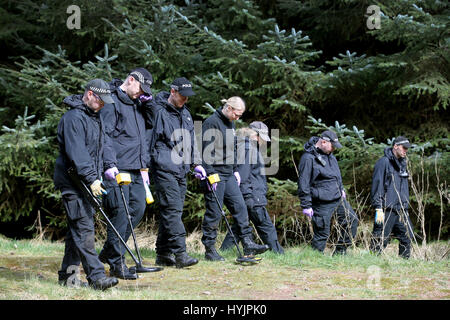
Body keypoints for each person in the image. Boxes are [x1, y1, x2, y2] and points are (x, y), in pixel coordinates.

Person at [53, 79, 119, 290]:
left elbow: (100, 148)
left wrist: (106, 168)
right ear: (89, 94)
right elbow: (78, 154)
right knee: (84, 230)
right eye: (100, 100)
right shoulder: (73, 118)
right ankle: (97, 277)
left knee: (76, 232)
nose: (102, 105)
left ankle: (68, 277)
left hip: (87, 181)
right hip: (74, 182)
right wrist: (91, 178)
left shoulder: (94, 118)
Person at [98, 68, 153, 280]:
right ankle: (117, 263)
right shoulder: (112, 103)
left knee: (137, 209)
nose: (141, 93)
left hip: (137, 168)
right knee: (120, 214)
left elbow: (148, 130)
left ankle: (108, 252)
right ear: (130, 80)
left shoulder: (139, 104)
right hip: (118, 168)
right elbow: (105, 136)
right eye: (140, 88)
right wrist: (109, 164)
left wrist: (144, 167)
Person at [201, 97, 269, 261]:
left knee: (240, 207)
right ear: (229, 108)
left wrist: (236, 170)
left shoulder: (230, 123)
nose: (238, 118)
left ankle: (248, 243)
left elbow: (231, 149)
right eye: (237, 114)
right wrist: (210, 175)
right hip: (215, 174)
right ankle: (210, 250)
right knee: (214, 213)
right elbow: (204, 152)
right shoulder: (212, 122)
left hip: (229, 173)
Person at [147, 77, 202, 268]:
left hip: (181, 169)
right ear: (173, 92)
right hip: (163, 167)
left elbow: (191, 141)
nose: (185, 100)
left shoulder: (186, 114)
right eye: (182, 96)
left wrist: (196, 163)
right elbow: (149, 140)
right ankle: (180, 254)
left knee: (173, 211)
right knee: (172, 210)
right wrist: (145, 167)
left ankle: (163, 253)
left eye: (188, 97)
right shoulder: (158, 110)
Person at [220, 121, 284, 254]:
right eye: (261, 137)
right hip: (252, 197)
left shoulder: (244, 147)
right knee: (266, 226)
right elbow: (242, 176)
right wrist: (248, 198)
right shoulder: (248, 148)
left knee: (238, 227)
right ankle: (279, 254)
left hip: (250, 195)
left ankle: (224, 251)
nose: (262, 142)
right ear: (255, 135)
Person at [297, 130, 358, 255]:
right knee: (322, 234)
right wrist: (306, 205)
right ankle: (315, 259)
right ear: (323, 142)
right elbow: (304, 184)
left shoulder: (331, 156)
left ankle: (340, 252)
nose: (334, 149)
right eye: (332, 146)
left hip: (338, 199)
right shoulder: (308, 158)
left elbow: (337, 176)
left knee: (352, 221)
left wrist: (341, 189)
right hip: (321, 202)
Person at [370, 136, 414, 259]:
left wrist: (405, 206)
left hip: (401, 209)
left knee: (407, 236)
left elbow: (403, 188)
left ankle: (404, 263)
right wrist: (378, 207)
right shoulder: (383, 162)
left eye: (407, 148)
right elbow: (377, 185)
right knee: (380, 239)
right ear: (395, 146)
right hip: (386, 209)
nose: (406, 150)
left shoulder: (402, 163)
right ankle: (372, 262)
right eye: (404, 148)